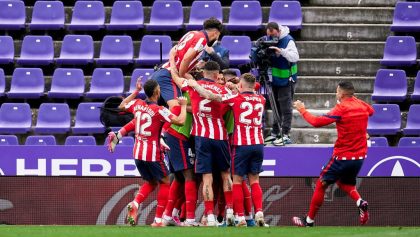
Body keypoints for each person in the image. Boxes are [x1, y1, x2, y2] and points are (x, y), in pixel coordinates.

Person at [188, 73, 266, 227]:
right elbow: (252, 87)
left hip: (241, 144)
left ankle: (240, 217)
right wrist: (235, 86)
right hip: (258, 143)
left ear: (241, 86)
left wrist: (195, 85)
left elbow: (210, 95)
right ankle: (259, 213)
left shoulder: (235, 99)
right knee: (255, 180)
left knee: (237, 180)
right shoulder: (261, 99)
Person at [291, 81, 374, 227]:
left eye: (337, 91)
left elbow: (316, 122)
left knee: (321, 184)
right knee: (344, 182)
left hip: (342, 157)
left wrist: (302, 110)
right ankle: (360, 202)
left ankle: (308, 221)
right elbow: (371, 112)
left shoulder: (341, 108)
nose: (336, 94)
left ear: (341, 93)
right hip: (360, 157)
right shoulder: (362, 105)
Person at [107, 79, 188, 227]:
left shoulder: (137, 104)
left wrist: (136, 91)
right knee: (165, 182)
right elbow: (180, 121)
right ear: (157, 92)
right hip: (153, 153)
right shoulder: (159, 110)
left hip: (138, 153)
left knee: (151, 182)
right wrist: (183, 106)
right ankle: (158, 220)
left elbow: (122, 105)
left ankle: (136, 203)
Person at [172, 61, 234, 227]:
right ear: (216, 74)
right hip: (220, 136)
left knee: (207, 178)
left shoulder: (193, 85)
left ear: (204, 72)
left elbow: (176, 78)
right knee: (225, 175)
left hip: (202, 137)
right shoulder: (224, 89)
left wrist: (172, 61)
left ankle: (210, 217)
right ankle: (230, 211)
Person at [153, 17, 223, 109]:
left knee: (162, 113)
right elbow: (186, 58)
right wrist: (181, 76)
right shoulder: (202, 39)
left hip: (162, 72)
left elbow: (179, 53)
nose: (217, 38)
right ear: (215, 33)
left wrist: (192, 67)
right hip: (168, 76)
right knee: (177, 110)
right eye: (218, 36)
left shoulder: (191, 33)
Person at [260, 22, 299, 146]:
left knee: (285, 107)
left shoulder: (288, 40)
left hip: (287, 80)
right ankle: (275, 132)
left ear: (278, 31)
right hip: (275, 79)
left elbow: (295, 57)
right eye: (269, 35)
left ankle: (286, 134)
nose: (271, 38)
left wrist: (281, 51)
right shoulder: (268, 40)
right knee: (276, 107)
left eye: (273, 35)